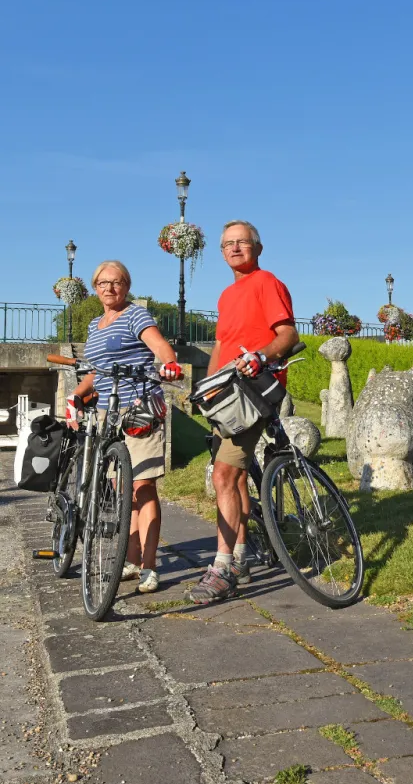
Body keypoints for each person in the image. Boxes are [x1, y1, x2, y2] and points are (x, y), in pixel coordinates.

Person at [190, 220, 298, 605]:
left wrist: (260, 355)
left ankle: (221, 568)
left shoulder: (267, 282)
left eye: (242, 242)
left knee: (224, 473)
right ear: (221, 253)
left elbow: (288, 335)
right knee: (234, 479)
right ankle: (239, 556)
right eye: (227, 244)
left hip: (253, 389)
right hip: (228, 392)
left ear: (258, 247)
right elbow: (221, 344)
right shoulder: (226, 295)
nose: (234, 249)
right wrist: (205, 389)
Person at [67, 260, 182, 593]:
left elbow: (158, 344)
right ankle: (129, 561)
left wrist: (170, 363)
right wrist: (75, 397)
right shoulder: (94, 325)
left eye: (116, 282)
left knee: (143, 488)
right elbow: (96, 372)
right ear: (95, 287)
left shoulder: (136, 316)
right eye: (103, 283)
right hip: (108, 415)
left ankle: (149, 565)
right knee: (123, 492)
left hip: (139, 410)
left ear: (127, 286)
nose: (109, 288)